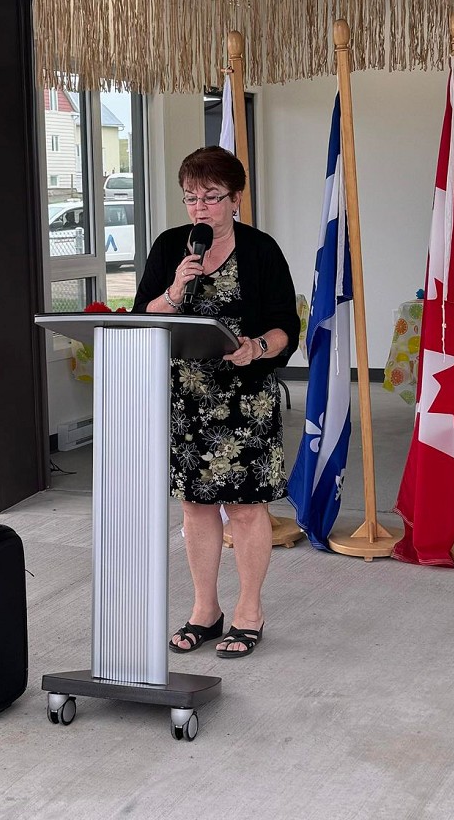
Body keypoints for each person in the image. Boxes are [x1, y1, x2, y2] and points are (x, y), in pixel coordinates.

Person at [134, 146, 299, 659]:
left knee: (246, 510)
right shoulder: (169, 249)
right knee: (195, 505)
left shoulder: (261, 250)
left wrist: (257, 347)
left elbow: (285, 326)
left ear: (236, 199)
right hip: (186, 399)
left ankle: (250, 611)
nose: (200, 209)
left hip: (244, 400)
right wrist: (176, 288)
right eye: (191, 198)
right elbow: (144, 315)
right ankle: (205, 611)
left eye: (211, 197)